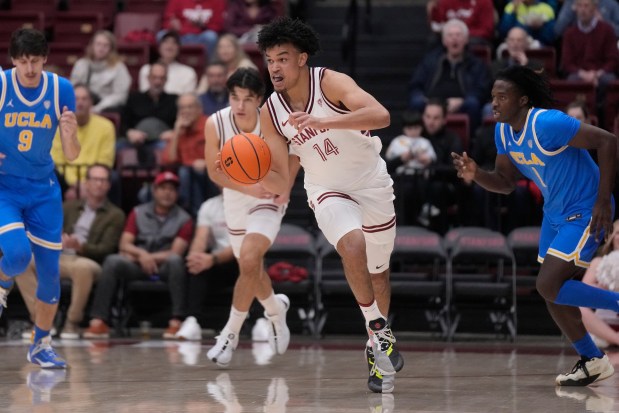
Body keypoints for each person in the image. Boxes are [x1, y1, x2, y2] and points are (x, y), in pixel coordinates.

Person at [257, 17, 404, 393]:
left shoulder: (330, 82)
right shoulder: (270, 112)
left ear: (302, 58)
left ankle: (376, 346)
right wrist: (246, 173)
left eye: (283, 58)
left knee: (379, 273)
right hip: (326, 189)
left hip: (372, 183)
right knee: (351, 243)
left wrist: (323, 121)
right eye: (270, 59)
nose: (274, 67)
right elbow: (276, 174)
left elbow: (382, 116)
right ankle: (376, 326)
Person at [452, 65, 619, 386]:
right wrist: (476, 175)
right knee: (552, 292)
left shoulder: (548, 123)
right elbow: (504, 182)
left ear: (523, 100)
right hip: (555, 214)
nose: (495, 103)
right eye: (492, 97)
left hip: (585, 209)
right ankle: (592, 359)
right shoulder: (502, 132)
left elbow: (608, 141)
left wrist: (603, 201)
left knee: (548, 285)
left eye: (502, 97)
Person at [0, 28, 80, 368]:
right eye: (22, 62)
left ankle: (41, 344)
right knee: (17, 255)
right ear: (13, 61)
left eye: (34, 61)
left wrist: (70, 134)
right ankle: (3, 282)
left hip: (43, 189)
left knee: (50, 273)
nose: (29, 69)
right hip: (5, 187)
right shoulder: (2, 85)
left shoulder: (61, 89)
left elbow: (73, 155)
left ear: (45, 59)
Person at [203, 67, 291, 367]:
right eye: (234, 97)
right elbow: (213, 171)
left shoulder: (272, 122)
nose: (240, 106)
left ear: (260, 100)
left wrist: (286, 186)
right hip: (237, 197)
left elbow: (295, 153)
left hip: (269, 196)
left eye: (247, 99)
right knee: (249, 268)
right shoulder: (216, 123)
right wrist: (248, 188)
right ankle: (276, 311)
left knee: (251, 259)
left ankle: (230, 334)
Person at [15, 164, 125, 339]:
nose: (99, 184)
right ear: (86, 183)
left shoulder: (115, 214)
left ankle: (72, 323)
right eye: (95, 179)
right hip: (59, 255)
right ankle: (42, 320)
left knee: (82, 268)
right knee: (22, 262)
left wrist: (80, 246)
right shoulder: (68, 207)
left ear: (109, 185)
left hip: (88, 259)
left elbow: (107, 248)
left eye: (103, 180)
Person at [82, 171, 193, 339]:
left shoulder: (184, 219)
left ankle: (177, 321)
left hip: (164, 266)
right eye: (163, 188)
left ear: (177, 194)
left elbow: (175, 251)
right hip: (137, 264)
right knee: (112, 261)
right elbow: (124, 244)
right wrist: (142, 255)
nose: (167, 193)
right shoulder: (138, 212)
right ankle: (99, 321)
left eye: (172, 189)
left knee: (176, 261)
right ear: (154, 191)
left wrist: (149, 258)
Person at [175, 189, 237, 340]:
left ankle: (259, 320)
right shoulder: (209, 206)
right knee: (196, 264)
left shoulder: (252, 203)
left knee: (252, 263)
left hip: (241, 260)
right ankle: (192, 320)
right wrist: (196, 256)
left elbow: (244, 244)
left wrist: (213, 259)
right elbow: (200, 238)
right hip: (217, 261)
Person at [51, 84, 115, 199]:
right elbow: (57, 161)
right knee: (51, 174)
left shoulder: (106, 126)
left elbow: (105, 161)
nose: (80, 103)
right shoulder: (58, 126)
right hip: (65, 179)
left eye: (84, 99)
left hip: (95, 177)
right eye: (76, 99)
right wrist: (75, 184)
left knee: (113, 178)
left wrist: (88, 184)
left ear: (91, 103)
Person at [162, 93, 217, 215]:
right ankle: (189, 216)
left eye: (190, 107)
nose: (186, 111)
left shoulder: (210, 125)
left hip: (211, 176)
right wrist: (176, 131)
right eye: (182, 108)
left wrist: (207, 162)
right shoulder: (180, 128)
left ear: (199, 109)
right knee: (185, 173)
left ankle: (195, 216)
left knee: (187, 173)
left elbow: (223, 154)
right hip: (188, 177)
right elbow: (168, 160)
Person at [561, 0, 618, 108]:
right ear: (575, 9)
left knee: (609, 80)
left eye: (586, 6)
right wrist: (584, 75)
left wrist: (597, 74)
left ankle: (603, 114)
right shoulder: (569, 33)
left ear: (594, 9)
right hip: (579, 73)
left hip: (601, 74)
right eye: (580, 6)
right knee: (571, 80)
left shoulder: (607, 30)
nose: (583, 10)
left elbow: (613, 59)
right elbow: (567, 63)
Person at [120, 62, 178, 165]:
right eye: (154, 77)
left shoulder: (174, 100)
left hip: (162, 142)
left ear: (166, 80)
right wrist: (130, 133)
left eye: (161, 78)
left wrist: (173, 133)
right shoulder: (134, 98)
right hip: (135, 141)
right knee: (117, 147)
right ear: (148, 78)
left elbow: (180, 124)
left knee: (167, 150)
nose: (157, 82)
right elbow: (123, 124)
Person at [384, 110, 436, 225]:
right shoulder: (397, 142)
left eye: (416, 128)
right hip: (403, 177)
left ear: (421, 128)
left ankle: (423, 210)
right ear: (404, 128)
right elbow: (388, 160)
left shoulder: (425, 142)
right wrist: (402, 158)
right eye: (410, 128)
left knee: (424, 188)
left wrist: (427, 160)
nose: (413, 131)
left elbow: (432, 158)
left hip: (421, 176)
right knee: (404, 191)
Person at [69, 30, 132, 113]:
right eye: (98, 44)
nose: (101, 48)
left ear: (111, 49)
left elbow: (120, 96)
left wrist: (98, 108)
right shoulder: (81, 64)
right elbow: (73, 88)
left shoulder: (119, 67)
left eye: (106, 45)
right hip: (82, 105)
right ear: (92, 46)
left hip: (105, 107)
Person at [580, 220, 619, 348]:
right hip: (604, 325)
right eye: (618, 233)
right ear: (611, 237)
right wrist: (604, 288)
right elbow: (584, 292)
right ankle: (616, 339)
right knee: (580, 309)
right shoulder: (598, 261)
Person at [138, 31, 197, 95]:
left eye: (174, 43)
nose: (170, 45)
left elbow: (187, 100)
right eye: (165, 42)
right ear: (159, 47)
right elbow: (145, 97)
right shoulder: (146, 69)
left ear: (179, 48)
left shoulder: (188, 72)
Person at [160, 0, 226, 56]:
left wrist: (202, 27)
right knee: (161, 35)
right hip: (180, 36)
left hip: (202, 36)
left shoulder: (218, 1)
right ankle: (165, 67)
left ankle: (210, 67)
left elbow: (218, 26)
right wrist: (172, 25)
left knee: (211, 36)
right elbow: (166, 22)